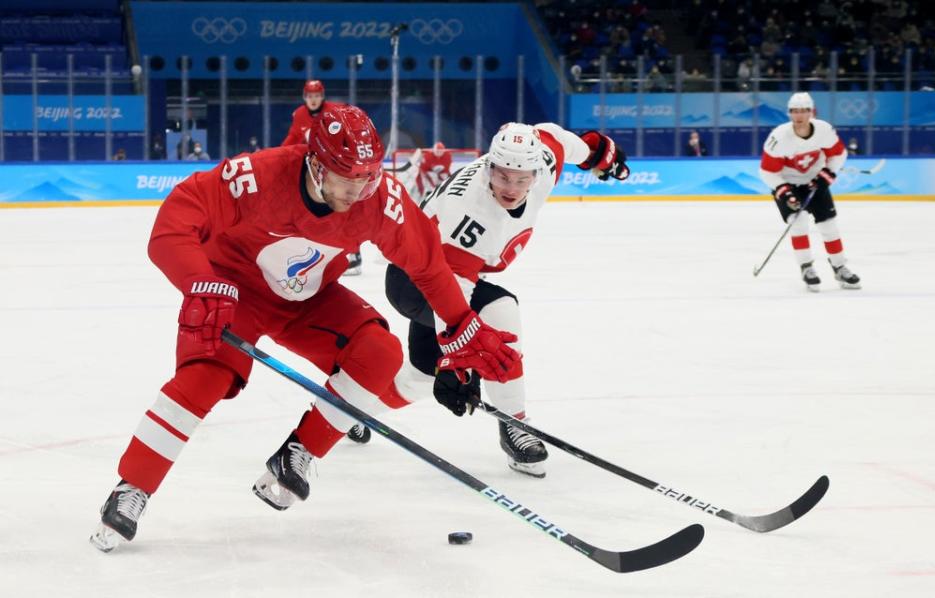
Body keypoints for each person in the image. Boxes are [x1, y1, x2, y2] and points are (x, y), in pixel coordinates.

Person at [89, 104, 520, 551]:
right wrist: (200, 281)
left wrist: (462, 324)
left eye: (367, 177)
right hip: (236, 293)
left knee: (381, 353)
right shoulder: (256, 177)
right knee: (204, 378)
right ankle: (132, 487)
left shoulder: (378, 198)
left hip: (309, 301)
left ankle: (299, 454)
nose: (358, 191)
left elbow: (428, 264)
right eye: (346, 179)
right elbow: (174, 221)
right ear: (316, 165)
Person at [344, 123, 630, 477]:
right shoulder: (470, 215)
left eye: (521, 179)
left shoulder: (543, 160)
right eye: (503, 176)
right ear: (490, 167)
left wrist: (599, 155)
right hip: (417, 280)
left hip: (447, 275)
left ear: (538, 172)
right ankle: (515, 423)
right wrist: (459, 361)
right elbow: (449, 299)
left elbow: (559, 139)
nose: (511, 188)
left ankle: (351, 411)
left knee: (419, 377)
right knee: (500, 310)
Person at [759, 92, 861, 292]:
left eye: (804, 111)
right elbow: (767, 172)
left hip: (814, 182)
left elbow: (839, 154)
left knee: (829, 225)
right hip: (788, 184)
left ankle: (839, 266)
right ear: (789, 113)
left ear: (811, 112)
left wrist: (827, 174)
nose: (799, 116)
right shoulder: (779, 137)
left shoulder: (824, 130)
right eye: (795, 111)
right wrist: (784, 191)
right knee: (798, 223)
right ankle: (807, 268)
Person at [281, 80, 361, 275]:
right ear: (304, 98)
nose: (313, 100)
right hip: (314, 172)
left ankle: (354, 254)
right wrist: (277, 156)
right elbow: (292, 139)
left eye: (317, 96)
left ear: (322, 96)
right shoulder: (300, 114)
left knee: (342, 207)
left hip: (336, 171)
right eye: (310, 96)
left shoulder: (334, 111)